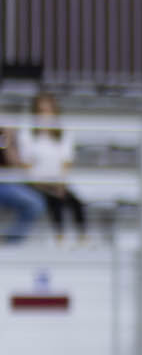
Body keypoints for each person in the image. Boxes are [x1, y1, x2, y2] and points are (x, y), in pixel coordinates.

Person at [18, 92, 85, 244]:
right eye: (41, 111)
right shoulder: (28, 132)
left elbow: (66, 161)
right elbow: (27, 164)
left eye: (48, 111)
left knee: (76, 202)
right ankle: (59, 239)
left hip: (57, 182)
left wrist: (60, 183)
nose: (45, 115)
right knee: (55, 201)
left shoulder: (63, 132)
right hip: (36, 183)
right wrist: (42, 184)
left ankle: (82, 239)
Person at [0, 119, 47, 244]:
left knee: (35, 204)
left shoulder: (6, 136)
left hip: (6, 184)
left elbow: (15, 163)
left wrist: (8, 141)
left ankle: (12, 241)